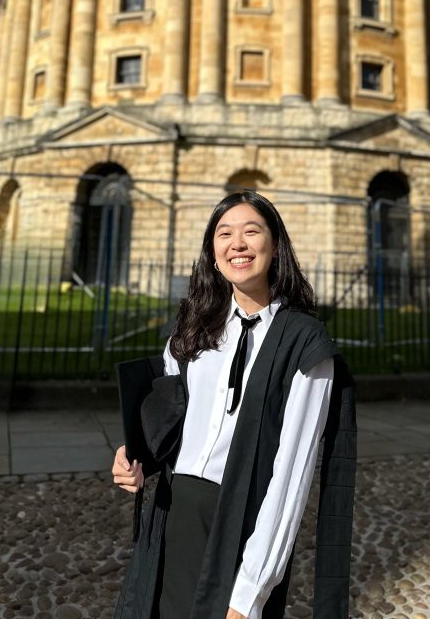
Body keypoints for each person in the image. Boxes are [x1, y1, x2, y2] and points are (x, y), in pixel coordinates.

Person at [111, 190, 356, 619]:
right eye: (224, 233)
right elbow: (166, 425)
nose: (236, 244)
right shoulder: (194, 329)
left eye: (251, 231)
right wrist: (134, 458)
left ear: (275, 245)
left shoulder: (304, 343)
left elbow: (291, 478)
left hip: (240, 528)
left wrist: (250, 594)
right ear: (212, 249)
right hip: (172, 517)